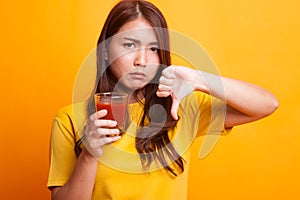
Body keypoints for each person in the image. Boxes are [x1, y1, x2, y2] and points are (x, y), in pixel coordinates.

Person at [47, 0, 279, 199]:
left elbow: (267, 104)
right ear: (106, 50)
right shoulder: (70, 119)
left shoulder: (180, 106)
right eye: (130, 45)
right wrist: (89, 154)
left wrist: (199, 78)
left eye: (153, 49)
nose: (142, 60)